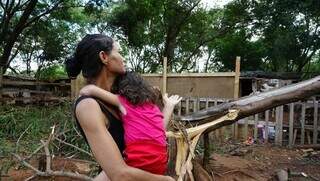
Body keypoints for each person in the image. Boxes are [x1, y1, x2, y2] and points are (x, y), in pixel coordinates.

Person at [65, 34, 174, 181]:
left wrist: (168, 108)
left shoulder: (121, 96)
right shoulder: (88, 106)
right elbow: (119, 174)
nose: (123, 58)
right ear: (104, 57)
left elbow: (151, 131)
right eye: (119, 52)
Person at [79, 71, 182, 175]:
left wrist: (82, 93)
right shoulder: (152, 108)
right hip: (160, 163)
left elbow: (90, 90)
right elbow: (162, 127)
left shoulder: (123, 102)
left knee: (111, 172)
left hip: (137, 162)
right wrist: (169, 105)